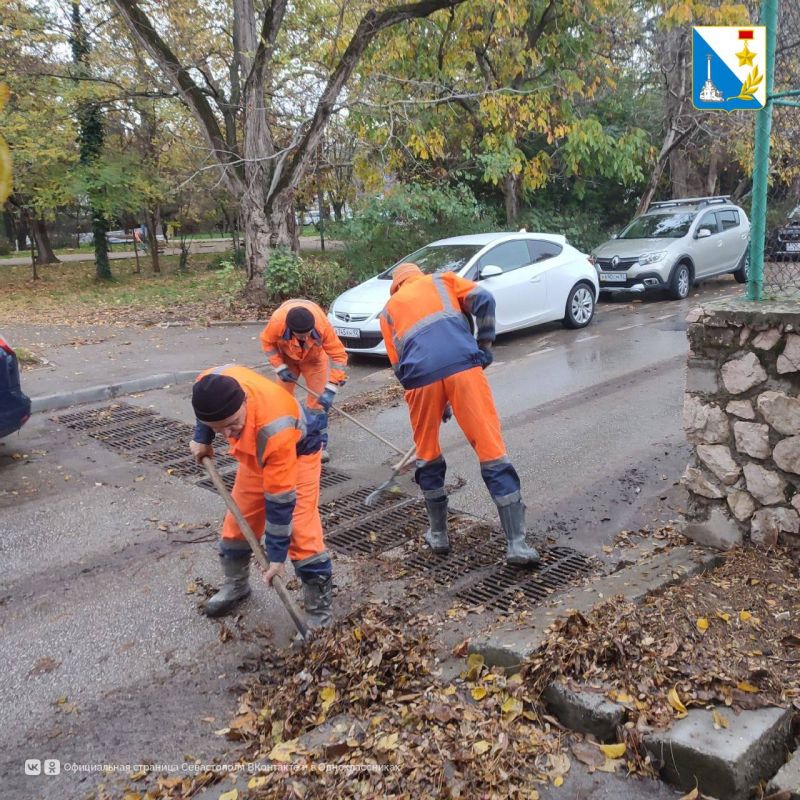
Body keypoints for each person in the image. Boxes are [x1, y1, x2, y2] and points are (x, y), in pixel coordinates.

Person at [379, 262, 540, 566]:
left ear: (396, 287)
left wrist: (434, 401)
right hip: (464, 369)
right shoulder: (442, 281)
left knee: (427, 454)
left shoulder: (388, 311)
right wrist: (485, 345)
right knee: (491, 450)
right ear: (419, 275)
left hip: (419, 380)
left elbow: (398, 367)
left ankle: (438, 536)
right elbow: (485, 301)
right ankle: (516, 544)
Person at [189, 364, 333, 626]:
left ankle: (318, 617)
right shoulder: (210, 383)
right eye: (219, 429)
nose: (228, 435)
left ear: (244, 400)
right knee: (238, 522)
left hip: (297, 453)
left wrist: (276, 559)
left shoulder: (275, 429)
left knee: (301, 532)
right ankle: (237, 585)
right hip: (256, 453)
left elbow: (280, 502)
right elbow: (207, 411)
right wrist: (203, 437)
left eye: (232, 425)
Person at [260, 300, 348, 463]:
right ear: (291, 330)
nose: (306, 337)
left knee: (317, 406)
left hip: (314, 360)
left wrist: (332, 387)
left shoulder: (322, 325)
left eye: (308, 333)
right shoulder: (277, 323)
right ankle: (286, 441)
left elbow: (339, 355)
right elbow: (267, 343)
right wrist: (280, 367)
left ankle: (319, 446)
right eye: (301, 335)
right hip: (288, 359)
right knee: (282, 401)